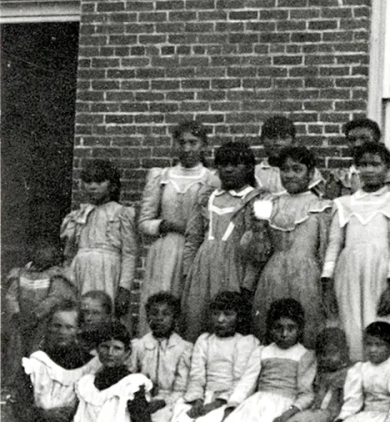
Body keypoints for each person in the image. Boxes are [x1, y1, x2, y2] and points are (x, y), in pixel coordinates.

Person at [163, 291, 261, 422]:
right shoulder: (204, 340)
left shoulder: (246, 342)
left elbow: (241, 380)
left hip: (228, 400)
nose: (221, 320)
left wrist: (217, 404)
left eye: (228, 314)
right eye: (216, 314)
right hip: (203, 397)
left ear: (239, 316)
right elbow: (197, 375)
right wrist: (197, 400)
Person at [322, 142, 390, 361]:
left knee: (380, 323)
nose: (369, 170)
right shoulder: (344, 204)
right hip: (349, 275)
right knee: (350, 324)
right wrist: (327, 283)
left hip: (381, 276)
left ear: (388, 168)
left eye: (376, 164)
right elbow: (334, 245)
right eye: (363, 164)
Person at [138, 120, 219, 332]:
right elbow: (144, 223)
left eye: (193, 142)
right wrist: (167, 225)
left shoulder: (212, 179)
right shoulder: (161, 176)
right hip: (164, 252)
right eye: (182, 142)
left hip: (196, 250)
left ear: (204, 145)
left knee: (189, 307)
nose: (187, 148)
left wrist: (194, 232)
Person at [181, 142, 266, 340]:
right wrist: (187, 273)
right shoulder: (206, 197)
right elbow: (193, 238)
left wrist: (247, 284)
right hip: (203, 268)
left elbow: (257, 245)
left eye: (235, 164)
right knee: (198, 318)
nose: (228, 169)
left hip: (235, 267)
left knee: (232, 321)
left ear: (249, 168)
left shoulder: (256, 199)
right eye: (223, 164)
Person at [250, 145, 333, 344]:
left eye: (297, 169)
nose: (290, 175)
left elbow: (325, 250)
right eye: (285, 170)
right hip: (274, 273)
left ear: (310, 173)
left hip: (307, 275)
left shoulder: (321, 206)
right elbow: (257, 251)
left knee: (306, 326)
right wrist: (257, 230)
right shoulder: (271, 203)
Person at [61, 159, 137, 318]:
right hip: (80, 271)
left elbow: (129, 253)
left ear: (112, 186)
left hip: (108, 271)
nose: (93, 186)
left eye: (99, 181)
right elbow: (69, 252)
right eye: (88, 182)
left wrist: (124, 288)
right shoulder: (78, 215)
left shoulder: (121, 213)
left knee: (104, 312)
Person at [130, 292, 192, 422]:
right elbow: (130, 377)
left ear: (175, 318)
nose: (159, 318)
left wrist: (164, 401)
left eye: (166, 314)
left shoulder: (183, 348)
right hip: (141, 399)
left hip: (168, 401)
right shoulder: (139, 345)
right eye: (154, 313)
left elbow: (182, 387)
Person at [4, 236, 77, 365]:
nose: (40, 252)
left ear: (56, 252)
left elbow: (54, 298)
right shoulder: (20, 273)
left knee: (39, 351)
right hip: (21, 320)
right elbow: (11, 296)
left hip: (43, 323)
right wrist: (16, 314)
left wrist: (35, 315)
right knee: (16, 349)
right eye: (37, 248)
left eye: (46, 249)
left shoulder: (57, 275)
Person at [255, 115, 323, 196]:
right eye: (272, 137)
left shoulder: (307, 171)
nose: (277, 143)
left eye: (284, 137)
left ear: (293, 141)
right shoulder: (255, 173)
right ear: (262, 140)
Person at [330, 117, 382, 198]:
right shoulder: (338, 178)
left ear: (376, 141)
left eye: (364, 138)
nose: (357, 144)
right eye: (352, 140)